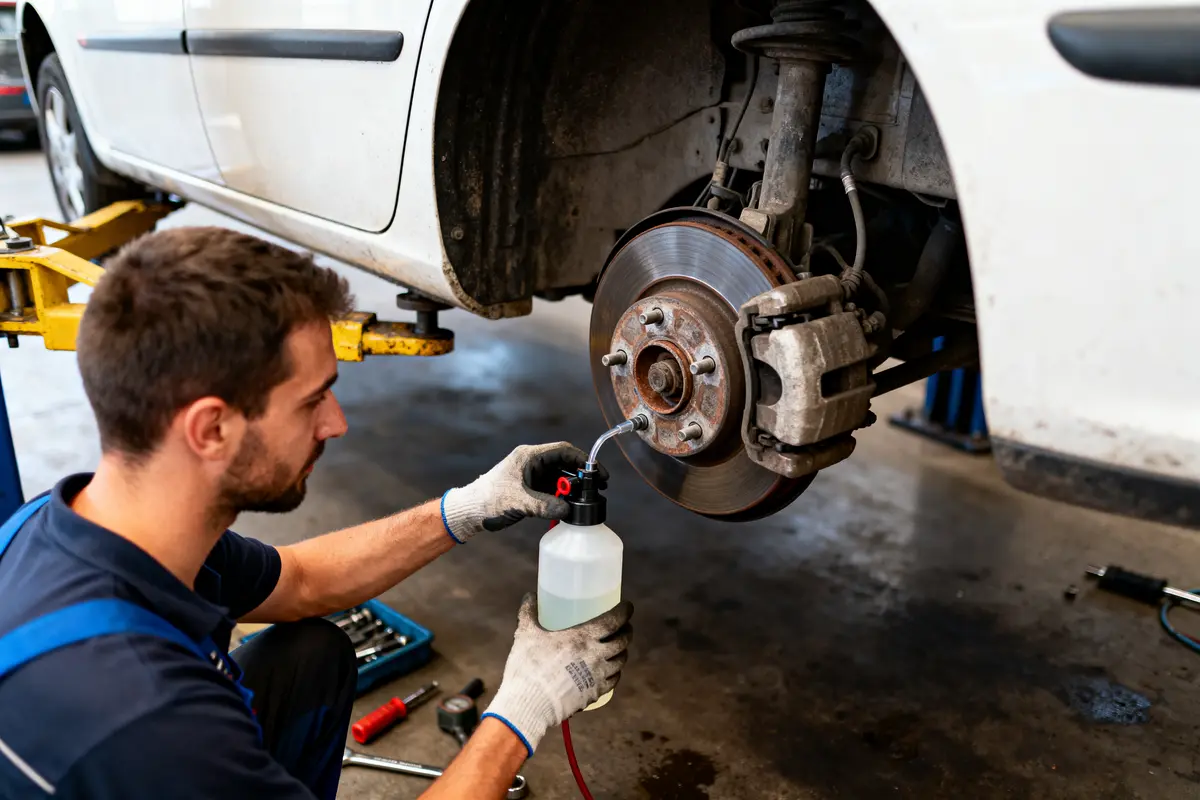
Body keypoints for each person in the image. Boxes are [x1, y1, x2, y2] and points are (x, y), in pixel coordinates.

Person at [0, 227, 633, 799]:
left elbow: (301, 582)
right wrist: (523, 708)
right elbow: (159, 729)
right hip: (137, 748)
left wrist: (469, 506)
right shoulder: (154, 720)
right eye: (313, 401)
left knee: (310, 657)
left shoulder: (90, 524)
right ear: (211, 428)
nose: (337, 422)